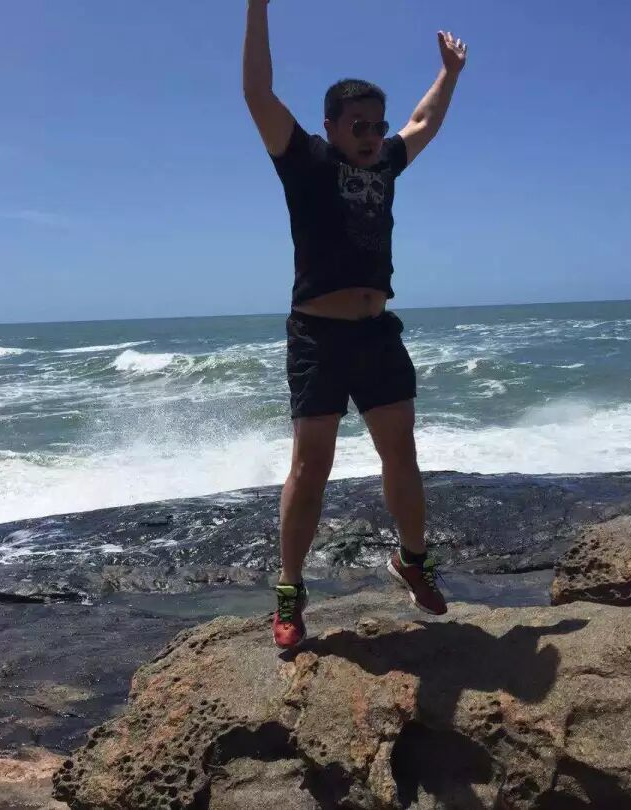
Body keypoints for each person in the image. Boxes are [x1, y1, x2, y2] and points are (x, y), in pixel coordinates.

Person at [242, 0, 468, 648]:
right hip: (317, 337)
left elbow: (423, 122)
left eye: (377, 125)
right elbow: (258, 93)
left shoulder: (387, 164)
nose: (372, 135)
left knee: (402, 453)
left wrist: (449, 74)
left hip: (375, 332)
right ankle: (289, 592)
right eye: (358, 125)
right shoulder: (306, 161)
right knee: (311, 467)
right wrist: (257, 8)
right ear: (331, 126)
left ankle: (413, 561)